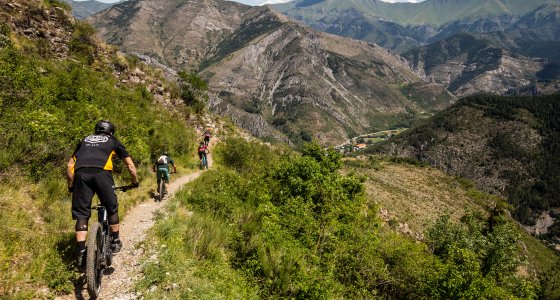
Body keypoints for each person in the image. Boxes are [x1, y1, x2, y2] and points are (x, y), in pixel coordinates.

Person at [67, 120, 139, 267]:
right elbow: (130, 165)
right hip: (101, 174)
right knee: (111, 206)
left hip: (81, 174)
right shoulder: (113, 140)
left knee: (82, 214)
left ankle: (81, 252)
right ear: (110, 131)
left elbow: (70, 165)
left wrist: (71, 185)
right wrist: (134, 182)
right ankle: (115, 241)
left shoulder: (85, 140)